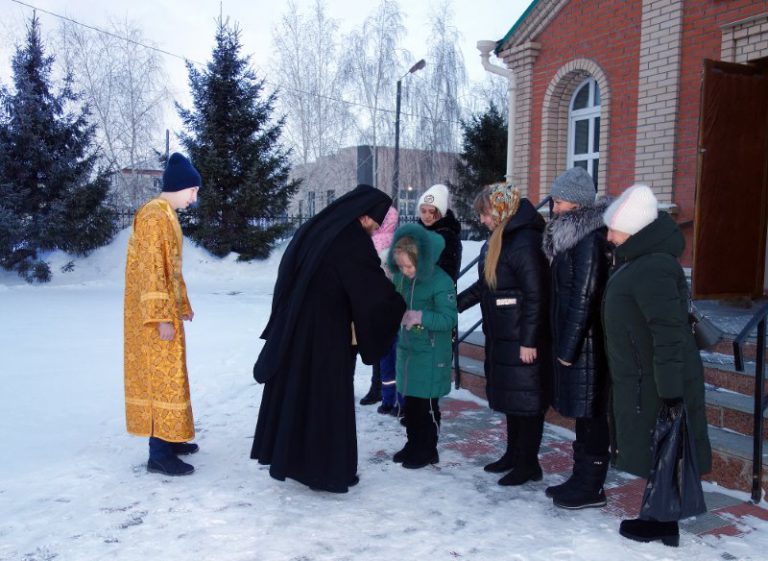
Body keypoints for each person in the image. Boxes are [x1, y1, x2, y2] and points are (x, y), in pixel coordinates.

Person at [251, 184, 406, 494]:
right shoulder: (351, 239)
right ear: (365, 217)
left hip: (298, 327)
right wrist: (397, 304)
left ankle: (295, 462)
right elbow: (372, 291)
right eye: (375, 224)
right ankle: (327, 472)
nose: (375, 230)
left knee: (300, 393)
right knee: (327, 397)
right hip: (327, 333)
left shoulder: (318, 227)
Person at [601, 184, 711, 547]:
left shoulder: (653, 267)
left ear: (633, 230)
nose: (608, 235)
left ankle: (662, 522)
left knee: (665, 445)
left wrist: (671, 392)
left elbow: (668, 333)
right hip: (643, 374)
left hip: (657, 377)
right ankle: (659, 518)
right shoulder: (639, 261)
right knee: (660, 447)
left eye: (614, 229)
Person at [457, 183, 551, 486]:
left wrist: (529, 341)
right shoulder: (500, 239)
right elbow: (487, 285)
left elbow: (537, 294)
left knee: (528, 401)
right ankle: (513, 454)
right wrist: (455, 303)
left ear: (501, 211)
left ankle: (528, 464)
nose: (482, 220)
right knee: (514, 399)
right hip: (504, 335)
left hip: (522, 339)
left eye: (485, 214)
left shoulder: (525, 241)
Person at [123, 152, 202, 477]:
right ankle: (158, 455)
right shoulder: (154, 216)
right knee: (159, 379)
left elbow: (171, 269)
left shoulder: (165, 214)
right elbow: (153, 271)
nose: (194, 197)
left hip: (164, 311)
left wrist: (181, 306)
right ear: (180, 186)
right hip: (153, 318)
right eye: (193, 190)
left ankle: (171, 437)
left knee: (172, 375)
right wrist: (161, 317)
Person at [542, 167, 612, 509]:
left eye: (559, 201)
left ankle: (592, 486)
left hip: (588, 345)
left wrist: (568, 348)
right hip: (577, 342)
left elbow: (584, 297)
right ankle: (580, 477)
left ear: (578, 203)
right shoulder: (572, 237)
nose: (554, 208)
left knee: (592, 416)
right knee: (583, 416)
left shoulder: (589, 240)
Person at [388, 224, 458, 469]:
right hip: (409, 351)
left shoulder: (440, 281)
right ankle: (413, 444)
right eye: (401, 266)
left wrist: (420, 316)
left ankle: (428, 449)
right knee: (411, 405)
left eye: (409, 266)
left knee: (426, 406)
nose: (405, 271)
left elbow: (449, 319)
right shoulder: (403, 279)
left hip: (431, 353)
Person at [359, 206, 399, 408]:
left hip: (383, 300)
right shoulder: (367, 240)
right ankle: (380, 388)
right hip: (374, 300)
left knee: (384, 349)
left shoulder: (389, 243)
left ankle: (383, 390)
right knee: (378, 348)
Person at [417, 183, 462, 283]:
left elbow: (449, 272)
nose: (427, 216)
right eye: (423, 211)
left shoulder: (448, 237)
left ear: (441, 212)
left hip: (437, 290)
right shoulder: (418, 232)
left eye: (432, 211)